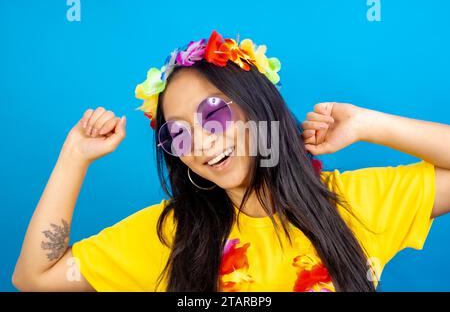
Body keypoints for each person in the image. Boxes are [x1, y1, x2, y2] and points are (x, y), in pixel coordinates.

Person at [12, 30, 450, 292]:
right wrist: (75, 156)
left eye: (213, 113)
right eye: (178, 132)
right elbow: (34, 277)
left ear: (257, 106)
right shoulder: (171, 236)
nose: (201, 144)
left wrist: (370, 124)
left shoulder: (359, 201)